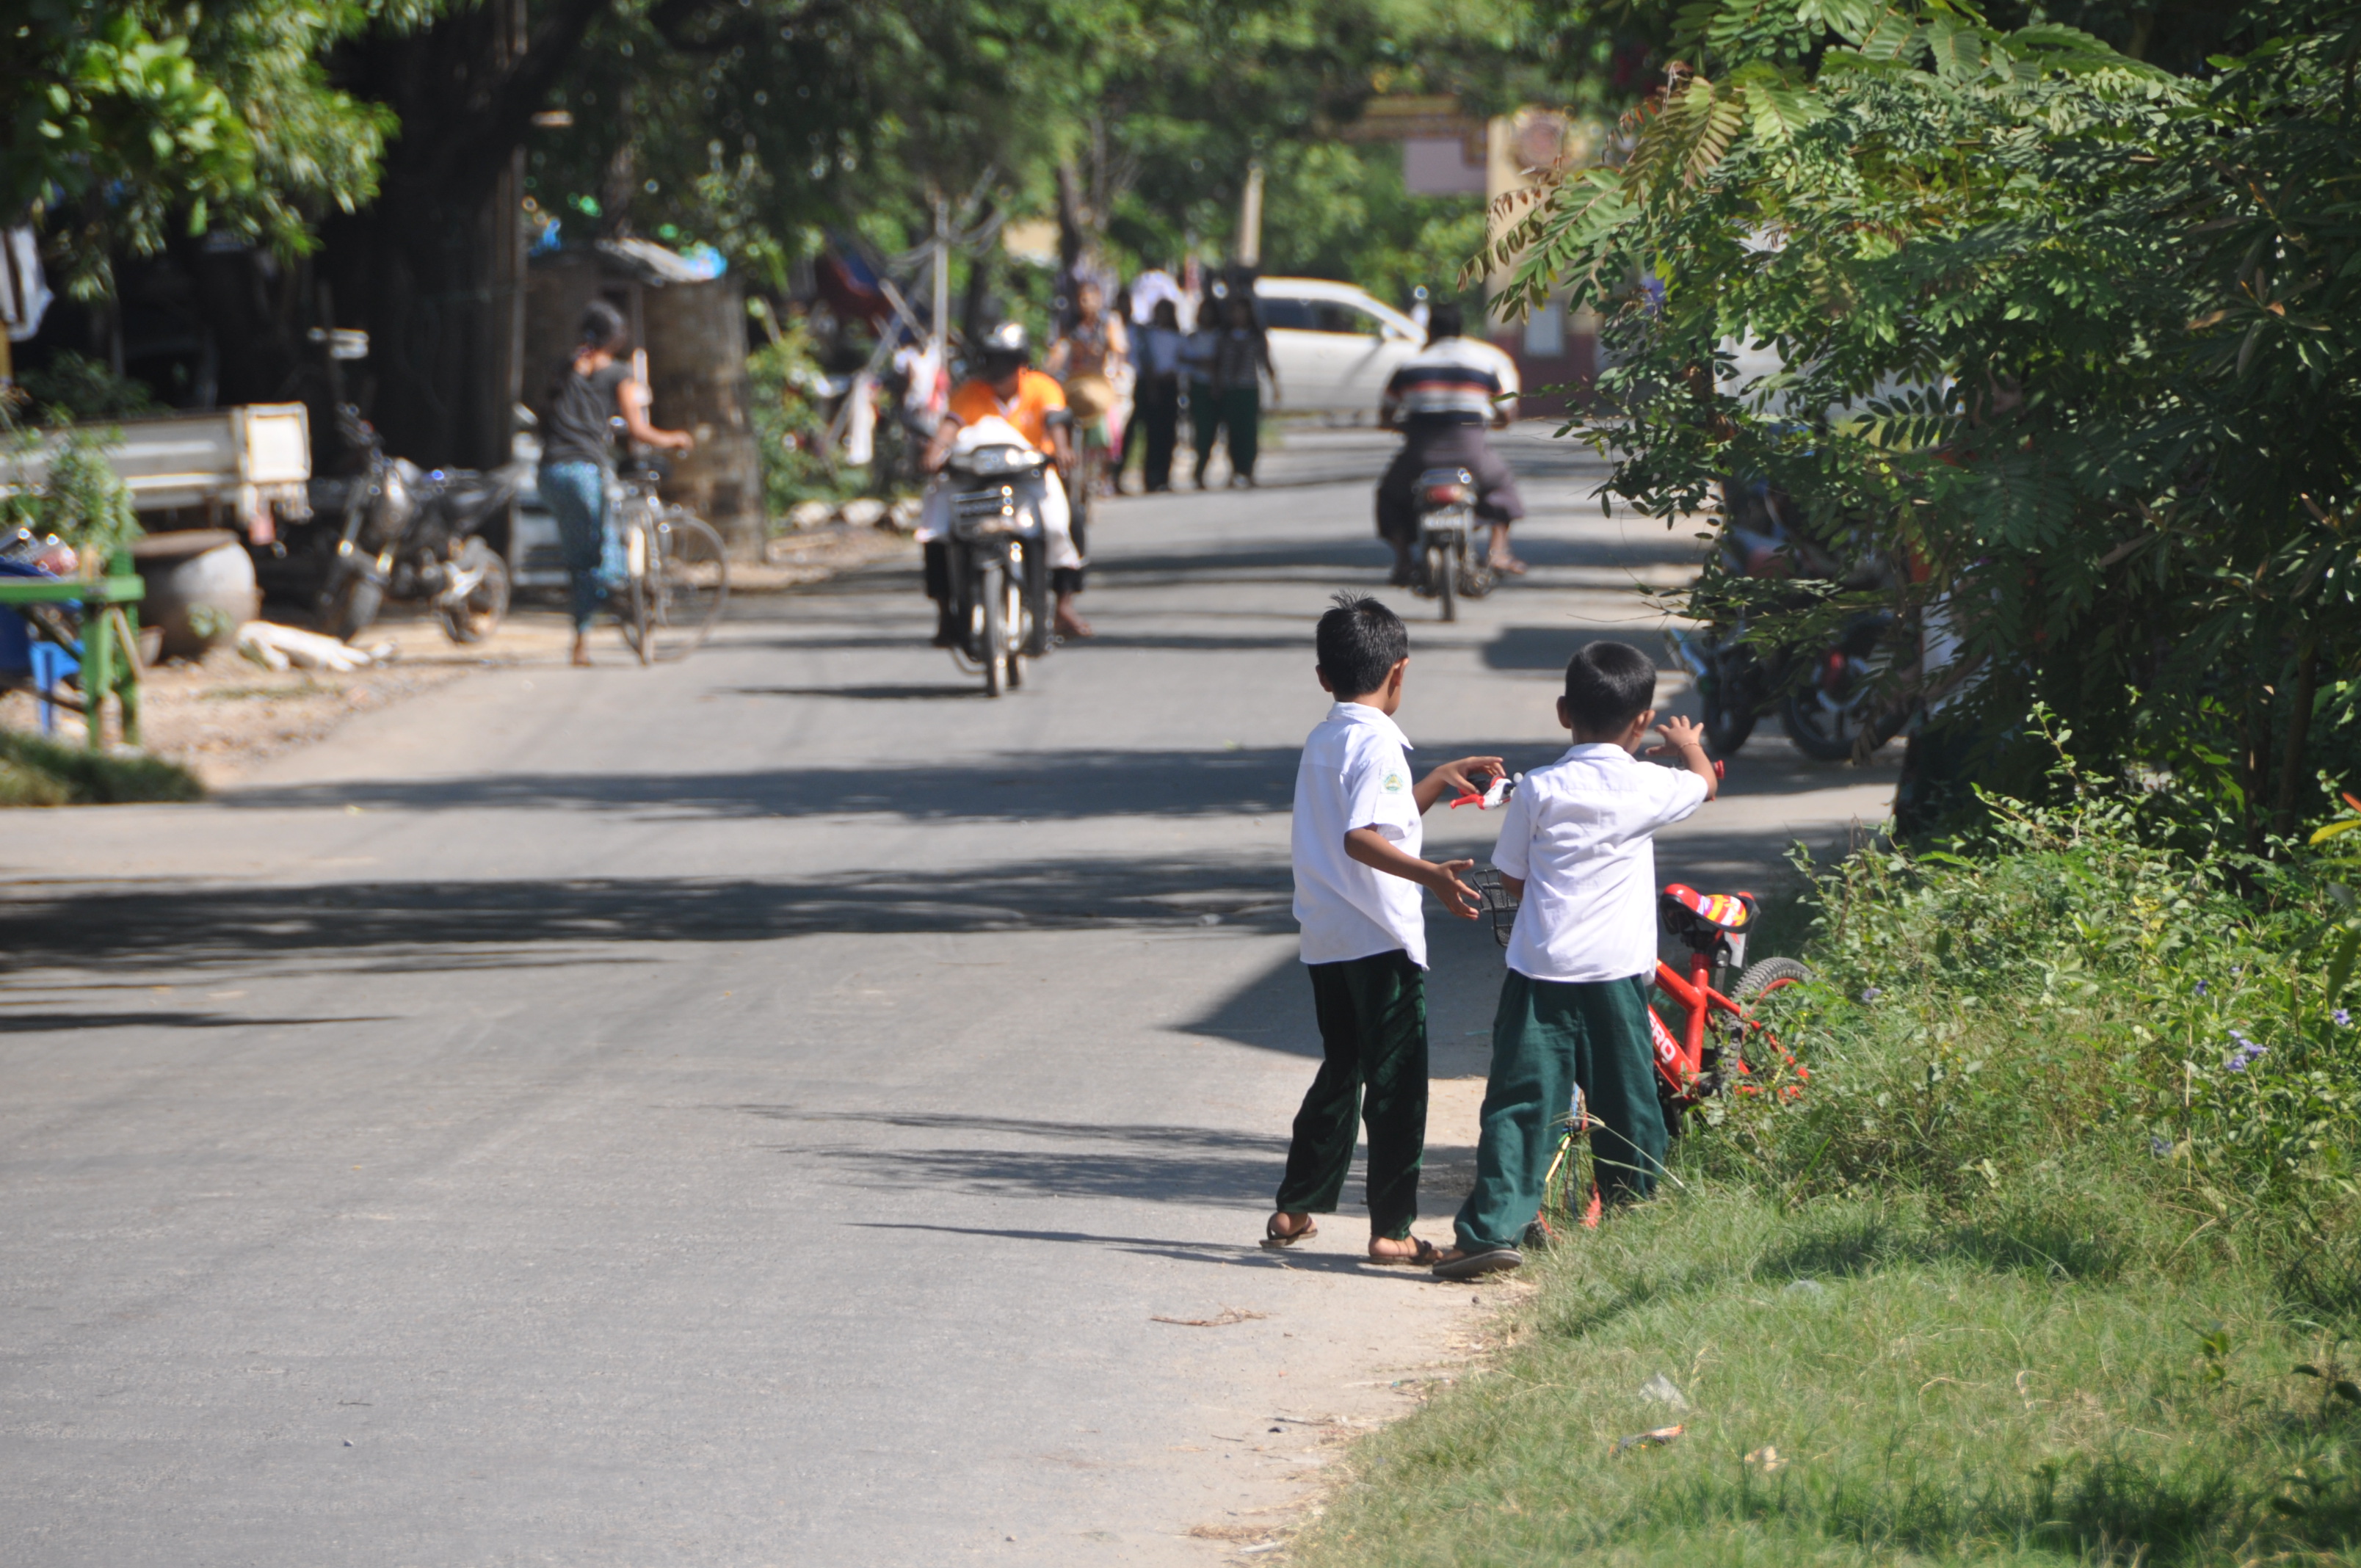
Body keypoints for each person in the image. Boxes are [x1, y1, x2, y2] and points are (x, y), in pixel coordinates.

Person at [1432, 642, 1719, 1281]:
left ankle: (1491, 1231)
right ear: (1641, 721)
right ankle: (1634, 1220)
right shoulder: (1651, 783)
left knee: (1520, 1102)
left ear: (1565, 712)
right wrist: (1686, 742)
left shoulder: (1538, 788)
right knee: (1629, 1101)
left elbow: (1510, 877)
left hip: (1541, 971)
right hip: (1617, 976)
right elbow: (1705, 783)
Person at [1263, 594, 1503, 1264]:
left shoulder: (1327, 738)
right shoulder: (1379, 745)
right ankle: (1393, 1230)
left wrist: (1433, 782)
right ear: (1399, 673)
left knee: (1344, 1069)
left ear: (1323, 677)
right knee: (1397, 1083)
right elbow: (1361, 837)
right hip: (1381, 940)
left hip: (1328, 937)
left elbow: (1367, 818)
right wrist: (1429, 874)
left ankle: (1294, 1207)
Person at [537, 300, 694, 667]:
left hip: (549, 474)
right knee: (606, 551)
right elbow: (638, 429)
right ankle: (624, 597)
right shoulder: (619, 373)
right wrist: (675, 438)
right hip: (583, 471)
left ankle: (581, 643)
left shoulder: (564, 368)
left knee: (580, 560)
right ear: (615, 338)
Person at [919, 321, 1092, 640]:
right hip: (975, 480)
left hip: (1030, 477)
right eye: (990, 359)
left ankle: (1064, 603)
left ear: (1020, 362)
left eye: (1004, 360)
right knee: (935, 530)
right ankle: (945, 612)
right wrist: (934, 452)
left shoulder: (1042, 387)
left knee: (1065, 521)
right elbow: (950, 426)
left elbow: (1055, 420)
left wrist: (1063, 449)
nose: (996, 368)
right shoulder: (970, 392)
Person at [1375, 301, 1526, 583]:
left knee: (1388, 495)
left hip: (1420, 458)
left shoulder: (1409, 367)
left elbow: (1385, 414)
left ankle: (1404, 562)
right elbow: (1506, 414)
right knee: (1502, 485)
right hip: (1472, 455)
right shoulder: (1482, 366)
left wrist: (1397, 425)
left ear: (1429, 331)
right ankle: (1498, 552)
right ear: (1460, 330)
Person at [1046, 280, 1131, 499]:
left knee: (1107, 432)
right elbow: (1059, 352)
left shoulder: (1108, 323)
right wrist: (1048, 370)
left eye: (1090, 297)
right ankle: (1071, 474)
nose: (1086, 303)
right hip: (1074, 385)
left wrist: (1115, 370)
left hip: (1099, 386)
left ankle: (1101, 477)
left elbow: (1119, 350)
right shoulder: (1070, 326)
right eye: (1082, 298)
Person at [1189, 291, 1277, 489]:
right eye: (1235, 311)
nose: (1238, 315)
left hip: (1248, 390)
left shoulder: (1256, 337)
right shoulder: (1224, 337)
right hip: (1230, 390)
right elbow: (1219, 364)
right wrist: (1218, 386)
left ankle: (1249, 471)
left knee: (1249, 433)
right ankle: (1234, 471)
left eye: (1242, 311)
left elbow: (1265, 362)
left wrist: (1275, 386)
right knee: (1232, 433)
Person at [1127, 299, 1186, 493]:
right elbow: (1142, 359)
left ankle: (1165, 475)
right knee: (1152, 433)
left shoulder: (1177, 336)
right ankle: (1150, 476)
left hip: (1169, 385)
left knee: (1168, 433)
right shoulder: (1147, 335)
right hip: (1151, 384)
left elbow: (1182, 359)